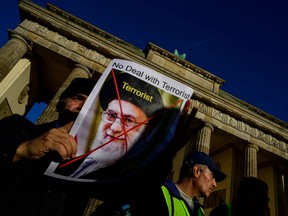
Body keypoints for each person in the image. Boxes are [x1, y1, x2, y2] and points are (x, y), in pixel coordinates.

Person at [0, 77, 96, 216]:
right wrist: (22, 150)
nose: (84, 108)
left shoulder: (91, 165)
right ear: (60, 103)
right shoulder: (16, 126)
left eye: (92, 105)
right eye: (78, 98)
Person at [60, 72, 165, 179]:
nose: (114, 127)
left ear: (146, 131)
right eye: (111, 115)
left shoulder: (142, 176)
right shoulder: (75, 157)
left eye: (128, 120)